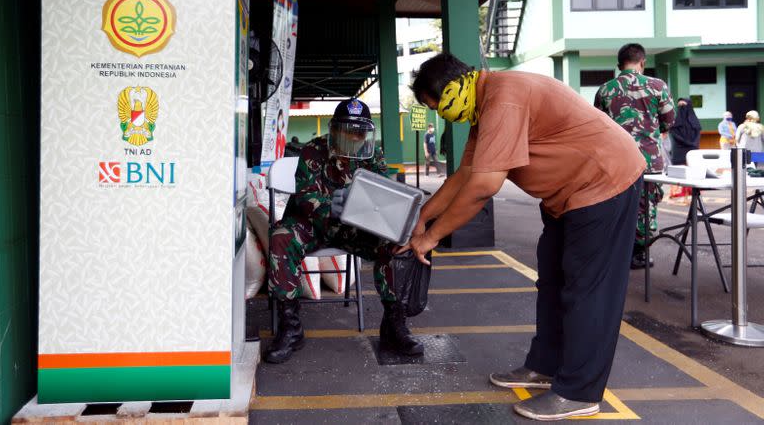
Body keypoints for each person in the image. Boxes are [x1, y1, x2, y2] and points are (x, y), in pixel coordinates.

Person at [400, 53, 644, 421]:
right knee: (552, 282)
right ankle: (546, 366)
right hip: (568, 196)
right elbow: (466, 174)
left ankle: (579, 392)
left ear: (454, 88)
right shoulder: (487, 106)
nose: (441, 115)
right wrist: (423, 215)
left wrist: (431, 237)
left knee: (587, 291)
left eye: (438, 106)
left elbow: (484, 187)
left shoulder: (504, 97)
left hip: (604, 184)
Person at [265, 98, 424, 364]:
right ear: (335, 129)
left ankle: (394, 325)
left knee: (395, 244)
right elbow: (304, 199)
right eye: (350, 130)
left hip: (356, 228)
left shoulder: (373, 153)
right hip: (313, 224)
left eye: (361, 132)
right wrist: (331, 205)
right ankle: (291, 328)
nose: (356, 137)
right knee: (281, 238)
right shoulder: (313, 150)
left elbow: (385, 195)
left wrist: (402, 216)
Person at [594, 43, 675, 270]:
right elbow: (670, 121)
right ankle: (639, 253)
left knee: (615, 202)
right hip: (648, 159)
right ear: (642, 62)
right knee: (646, 204)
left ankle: (615, 252)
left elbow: (599, 127)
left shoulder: (605, 90)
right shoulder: (657, 86)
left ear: (619, 64)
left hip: (616, 160)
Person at [669, 98, 701, 166]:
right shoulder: (675, 122)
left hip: (692, 152)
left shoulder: (695, 121)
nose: (682, 108)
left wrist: (693, 143)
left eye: (684, 106)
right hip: (679, 153)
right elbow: (675, 135)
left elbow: (697, 134)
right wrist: (689, 143)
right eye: (680, 106)